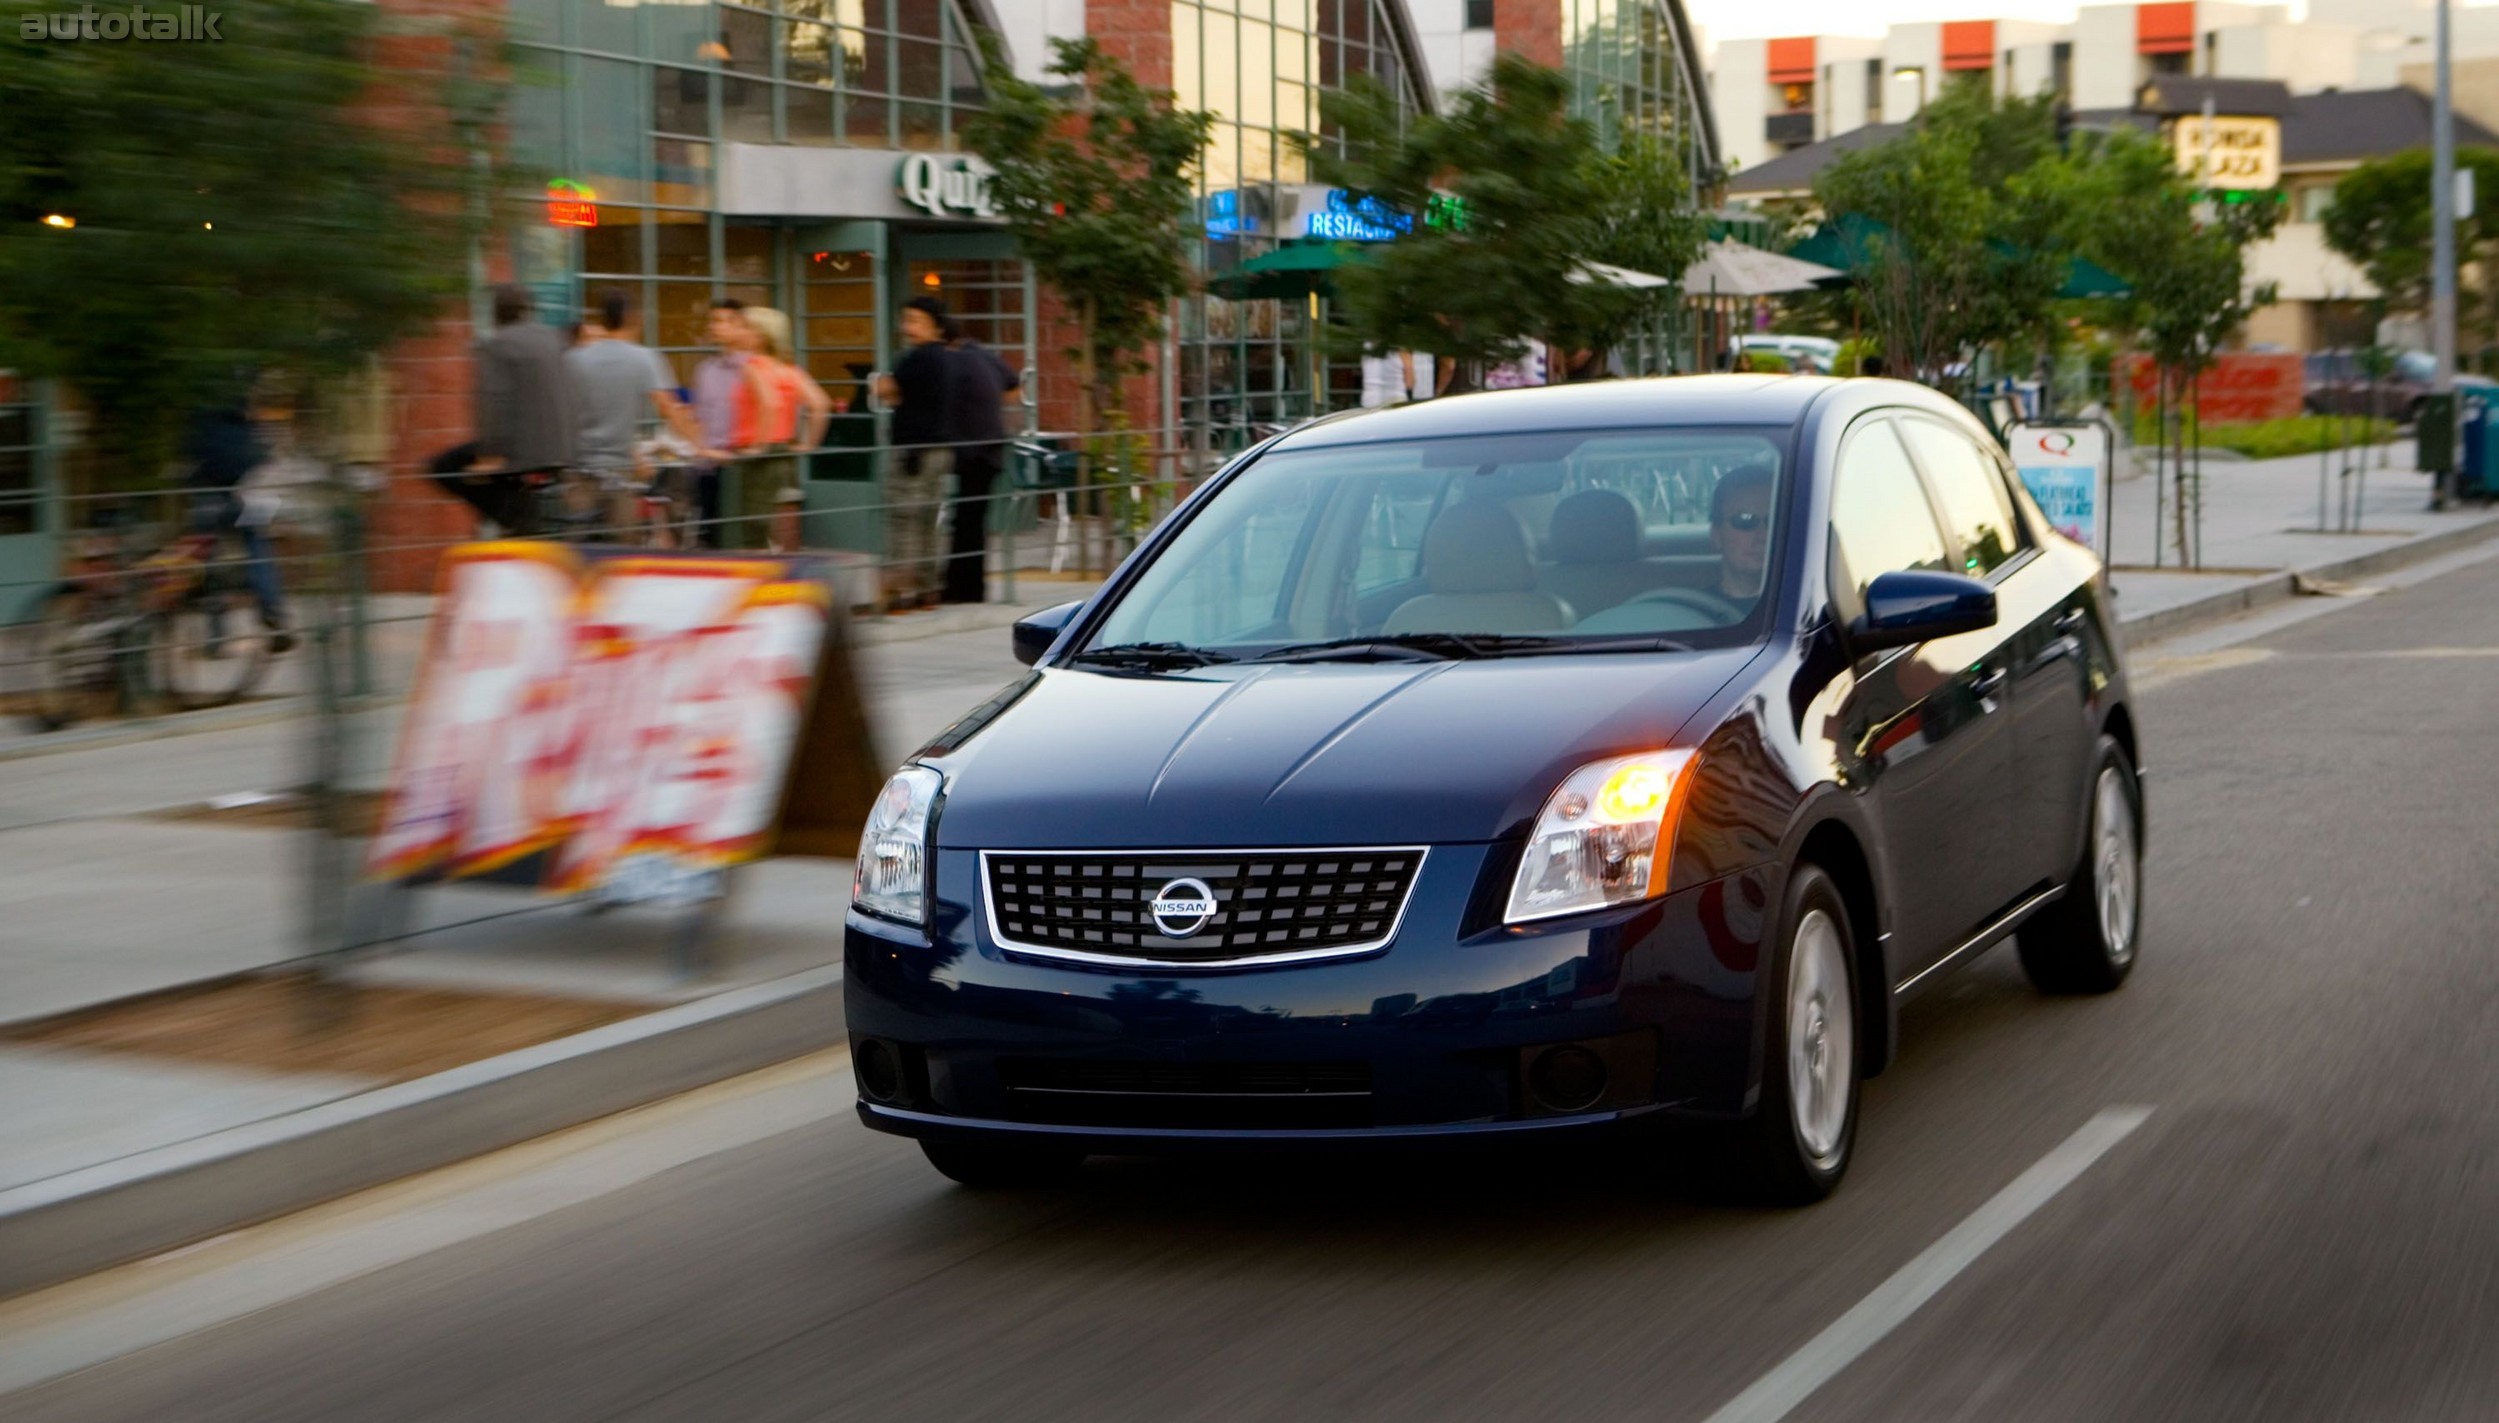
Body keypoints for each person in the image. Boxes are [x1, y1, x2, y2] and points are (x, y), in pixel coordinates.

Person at [437, 284, 574, 537]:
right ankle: (518, 517)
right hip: (560, 451)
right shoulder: (555, 339)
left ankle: (511, 515)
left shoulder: (497, 345)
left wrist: (490, 456)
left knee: (443, 467)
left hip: (521, 454)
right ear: (528, 311)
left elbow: (494, 400)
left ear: (497, 313)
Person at [566, 288, 700, 538]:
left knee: (581, 547)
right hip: (620, 471)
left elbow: (564, 412)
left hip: (579, 471)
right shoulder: (644, 358)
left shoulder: (574, 359)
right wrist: (701, 447)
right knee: (623, 549)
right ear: (632, 318)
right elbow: (668, 408)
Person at [180, 392, 292, 653]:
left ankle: (216, 636)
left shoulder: (200, 420)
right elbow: (261, 458)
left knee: (209, 562)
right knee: (257, 543)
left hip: (207, 503)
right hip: (242, 500)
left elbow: (188, 458)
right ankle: (271, 608)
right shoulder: (245, 423)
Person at [874, 295, 956, 613]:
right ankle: (927, 589)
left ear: (935, 325)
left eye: (915, 320)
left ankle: (898, 592)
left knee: (903, 520)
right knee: (926, 521)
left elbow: (885, 390)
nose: (907, 327)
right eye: (906, 319)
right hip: (939, 450)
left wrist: (887, 389)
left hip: (913, 451)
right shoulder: (947, 358)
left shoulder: (917, 359)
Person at [731, 306, 833, 550]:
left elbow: (769, 402)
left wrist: (760, 446)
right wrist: (808, 444)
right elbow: (820, 405)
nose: (740, 332)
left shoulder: (752, 366)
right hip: (785, 456)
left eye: (745, 327)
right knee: (783, 529)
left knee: (755, 533)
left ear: (760, 335)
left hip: (761, 460)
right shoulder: (789, 369)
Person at [942, 325, 1020, 603]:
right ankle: (972, 588)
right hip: (991, 449)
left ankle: (962, 589)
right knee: (973, 520)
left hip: (973, 450)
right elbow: (1013, 386)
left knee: (966, 521)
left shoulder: (955, 359)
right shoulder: (984, 355)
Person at [686, 299, 754, 547]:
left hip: (741, 466)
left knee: (740, 541)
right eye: (712, 321)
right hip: (707, 467)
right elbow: (698, 415)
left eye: (723, 321)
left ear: (742, 327)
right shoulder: (705, 370)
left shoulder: (754, 369)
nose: (715, 327)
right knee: (710, 539)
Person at [1709, 463, 1777, 609]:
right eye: (1745, 521)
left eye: (1774, 520)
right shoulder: (1690, 610)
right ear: (1716, 535)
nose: (1763, 536)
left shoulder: (1802, 607)